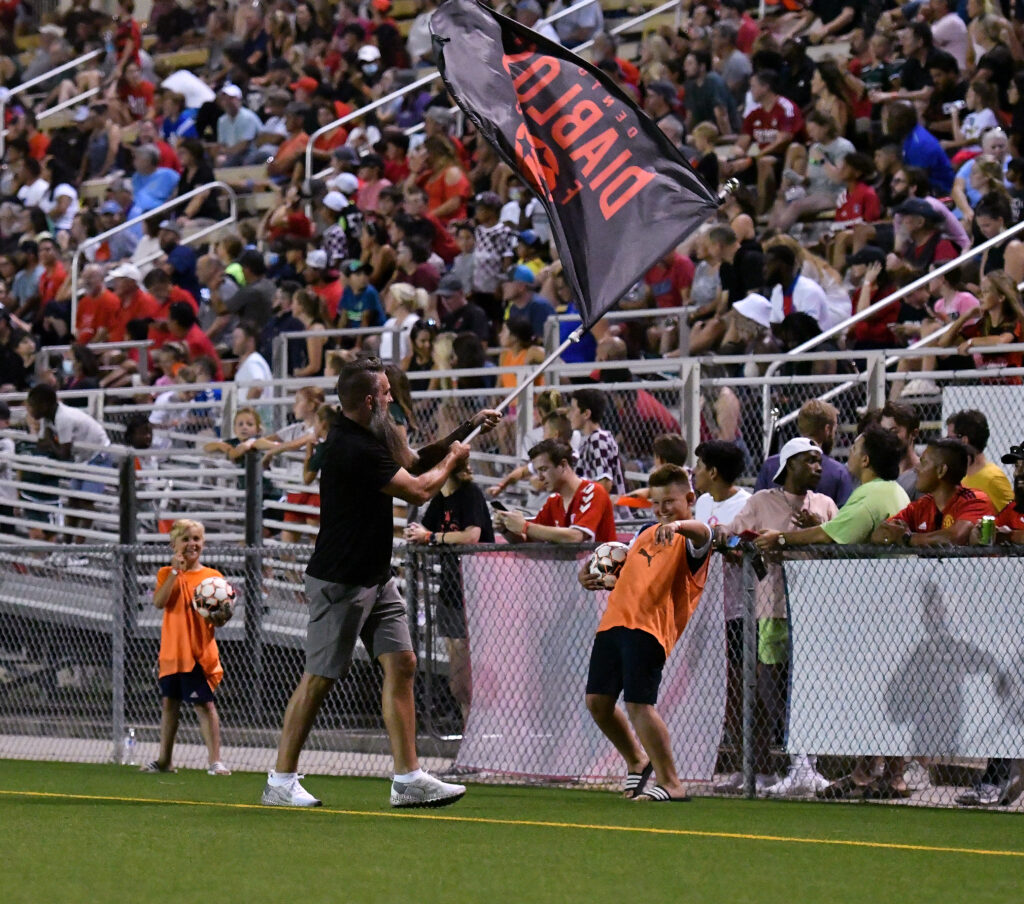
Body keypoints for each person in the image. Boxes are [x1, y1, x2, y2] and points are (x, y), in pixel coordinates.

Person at [261, 358, 501, 808]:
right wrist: (455, 458)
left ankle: (407, 778)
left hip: (376, 575)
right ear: (370, 400)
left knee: (404, 662)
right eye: (387, 392)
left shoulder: (377, 434)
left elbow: (414, 459)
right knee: (319, 679)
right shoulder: (351, 446)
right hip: (341, 580)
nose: (393, 397)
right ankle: (280, 780)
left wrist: (466, 430)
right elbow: (420, 489)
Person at [578, 464, 712, 803]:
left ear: (689, 498)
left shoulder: (691, 537)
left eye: (670, 501)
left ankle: (672, 783)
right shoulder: (645, 534)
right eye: (657, 503)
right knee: (597, 702)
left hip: (649, 628)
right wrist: (589, 575)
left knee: (639, 704)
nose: (663, 509)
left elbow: (704, 534)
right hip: (614, 622)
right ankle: (638, 761)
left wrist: (679, 524)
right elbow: (617, 569)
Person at [716, 438, 838, 796]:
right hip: (772, 609)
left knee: (811, 685)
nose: (818, 467)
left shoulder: (825, 505)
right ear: (788, 466)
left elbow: (842, 550)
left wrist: (816, 528)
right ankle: (785, 763)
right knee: (772, 685)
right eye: (810, 461)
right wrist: (750, 554)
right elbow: (731, 542)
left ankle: (807, 765)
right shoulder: (761, 502)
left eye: (820, 461)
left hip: (817, 610)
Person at [404, 458, 494, 725]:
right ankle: (468, 738)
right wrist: (419, 535)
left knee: (469, 676)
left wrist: (431, 538)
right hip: (450, 592)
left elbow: (471, 536)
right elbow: (424, 530)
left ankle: (480, 736)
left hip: (475, 591)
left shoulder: (469, 494)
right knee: (458, 682)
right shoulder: (440, 499)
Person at [145, 519, 231, 775]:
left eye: (196, 539)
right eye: (186, 539)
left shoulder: (213, 578)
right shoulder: (165, 574)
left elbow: (223, 616)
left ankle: (215, 761)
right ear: (174, 544)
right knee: (169, 704)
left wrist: (220, 616)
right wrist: (174, 572)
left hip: (197, 654)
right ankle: (164, 760)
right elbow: (159, 602)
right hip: (172, 653)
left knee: (204, 705)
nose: (192, 544)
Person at [870, 438, 995, 548]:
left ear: (941, 470)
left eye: (923, 462)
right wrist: (890, 534)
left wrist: (907, 538)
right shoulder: (920, 506)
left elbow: (956, 537)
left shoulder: (975, 500)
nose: (916, 468)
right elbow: (880, 534)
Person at [493, 438, 616, 545]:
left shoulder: (594, 491)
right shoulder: (553, 501)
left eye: (544, 469)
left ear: (563, 465)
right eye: (537, 471)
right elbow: (528, 540)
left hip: (604, 570)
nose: (540, 477)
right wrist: (506, 529)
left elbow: (575, 536)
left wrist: (524, 526)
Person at [755, 400, 853, 506]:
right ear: (827, 429)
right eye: (834, 429)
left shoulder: (770, 465)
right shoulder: (838, 472)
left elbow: (756, 506)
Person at [946, 409, 1014, 512]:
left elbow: (1014, 519)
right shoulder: (957, 476)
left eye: (950, 439)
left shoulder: (993, 478)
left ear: (964, 440)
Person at [569, 388, 627, 500]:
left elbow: (604, 483)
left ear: (586, 414)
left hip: (609, 515)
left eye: (573, 410)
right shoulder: (589, 440)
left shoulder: (598, 439)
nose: (569, 415)